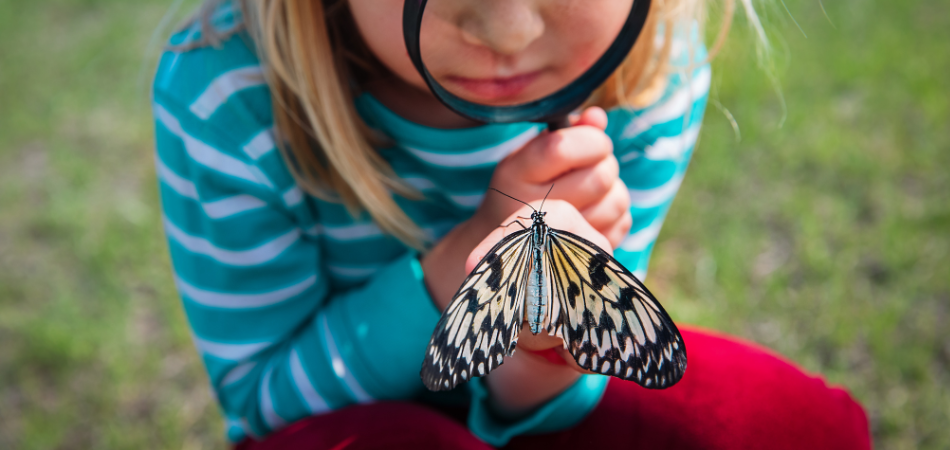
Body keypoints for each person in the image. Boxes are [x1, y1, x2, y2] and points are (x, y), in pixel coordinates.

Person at [151, 0, 871, 448]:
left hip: (541, 404)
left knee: (805, 429)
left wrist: (542, 348)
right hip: (343, 425)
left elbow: (583, 381)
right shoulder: (225, 94)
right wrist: (455, 268)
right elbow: (263, 412)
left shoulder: (652, 65)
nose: (507, 28)